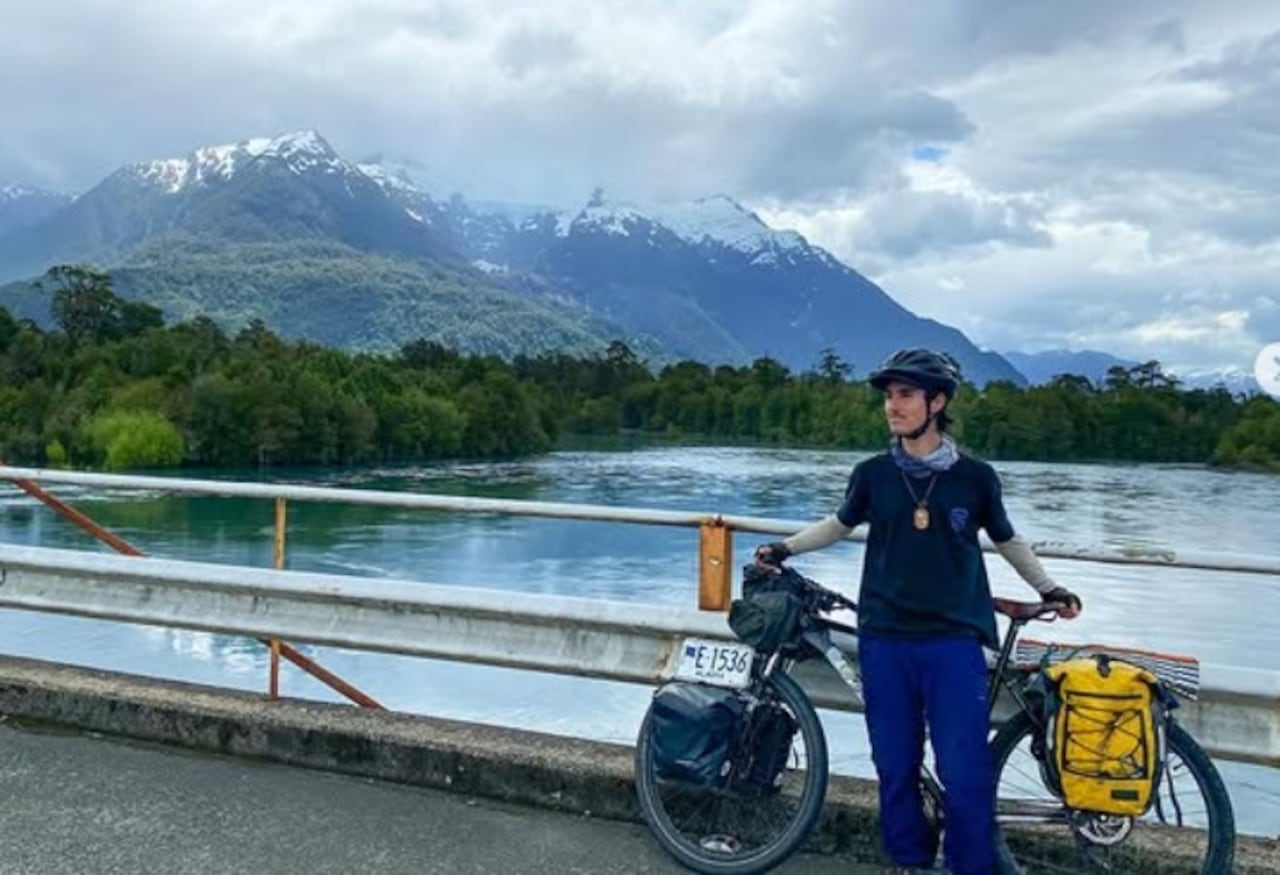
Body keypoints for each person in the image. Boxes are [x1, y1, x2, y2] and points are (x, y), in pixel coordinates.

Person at [753, 347, 1081, 875]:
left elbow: (1007, 539)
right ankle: (909, 864)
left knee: (965, 768)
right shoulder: (873, 474)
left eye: (904, 395)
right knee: (895, 765)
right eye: (888, 396)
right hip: (885, 637)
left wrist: (1050, 587)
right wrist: (784, 548)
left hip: (953, 640)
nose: (892, 406)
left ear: (937, 401)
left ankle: (970, 868)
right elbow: (838, 525)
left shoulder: (975, 478)